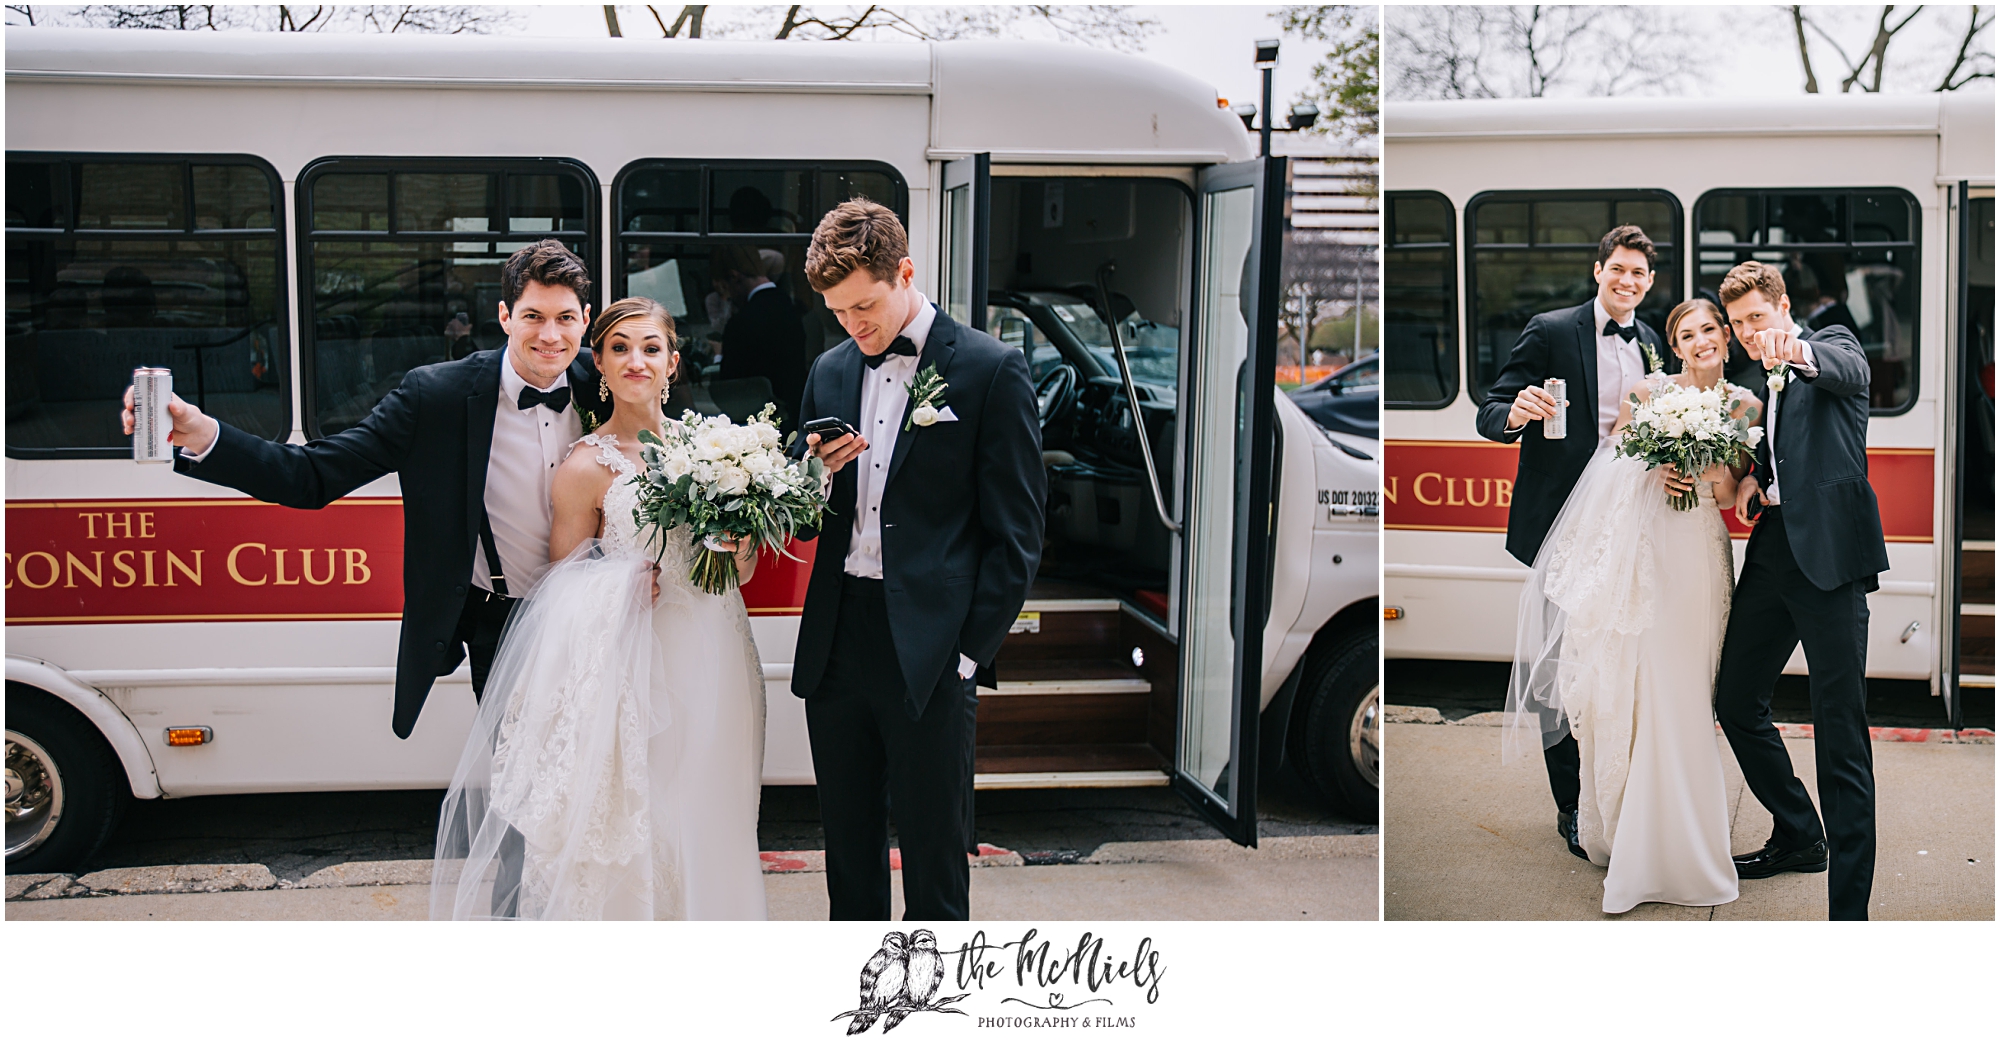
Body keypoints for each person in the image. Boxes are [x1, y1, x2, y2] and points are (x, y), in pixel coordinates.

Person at [122, 240, 608, 738]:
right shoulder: (435, 396)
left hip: (603, 623)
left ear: (586, 318)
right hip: (502, 628)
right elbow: (311, 475)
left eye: (565, 318)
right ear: (505, 316)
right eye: (533, 316)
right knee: (529, 790)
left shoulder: (607, 380)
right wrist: (205, 436)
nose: (551, 335)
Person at [430, 297, 768, 920]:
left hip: (716, 659)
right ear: (600, 364)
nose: (635, 361)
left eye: (649, 348)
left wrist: (741, 551)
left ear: (673, 361)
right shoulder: (585, 466)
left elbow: (734, 575)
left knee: (709, 812)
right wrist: (617, 585)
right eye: (619, 349)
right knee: (652, 816)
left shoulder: (721, 449)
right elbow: (563, 585)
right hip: (634, 671)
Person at [793, 200, 1045, 921]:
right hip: (838, 639)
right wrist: (812, 475)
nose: (853, 325)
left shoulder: (992, 371)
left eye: (864, 306)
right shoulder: (828, 370)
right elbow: (808, 513)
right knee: (848, 849)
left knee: (935, 855)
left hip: (932, 649)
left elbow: (1019, 533)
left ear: (906, 272)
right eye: (838, 311)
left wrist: (968, 655)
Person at [1505, 298, 1754, 914]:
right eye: (1686, 334)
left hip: (1698, 554)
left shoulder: (1744, 405)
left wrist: (1702, 470)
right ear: (1674, 346)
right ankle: (1636, 831)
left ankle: (1686, 835)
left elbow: (1724, 494)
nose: (1699, 342)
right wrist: (1660, 470)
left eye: (1707, 331)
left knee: (1689, 693)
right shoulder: (1648, 393)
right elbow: (1610, 471)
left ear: (1724, 337)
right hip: (1647, 556)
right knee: (1643, 687)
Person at [1475, 224, 1670, 859]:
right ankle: (1570, 807)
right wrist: (1516, 410)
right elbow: (1492, 406)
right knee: (1560, 669)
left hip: (1626, 525)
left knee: (1615, 667)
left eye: (1639, 273)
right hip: (1562, 525)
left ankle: (1609, 793)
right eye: (1618, 269)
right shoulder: (1552, 330)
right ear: (1598, 270)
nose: (1628, 281)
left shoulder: (1650, 340)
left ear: (1648, 282)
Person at [1714, 261, 1887, 921]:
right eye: (1738, 324)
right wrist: (1757, 476)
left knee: (1841, 734)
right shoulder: (1762, 378)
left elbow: (1849, 370)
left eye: (1758, 317)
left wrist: (1800, 349)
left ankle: (1849, 917)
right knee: (1734, 699)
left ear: (1783, 306)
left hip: (1832, 561)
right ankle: (1798, 831)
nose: (1750, 333)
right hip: (1774, 553)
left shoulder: (1831, 342)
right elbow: (1785, 450)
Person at [713, 243, 808, 432]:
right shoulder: (796, 309)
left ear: (734, 277)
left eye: (726, 290)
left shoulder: (741, 322)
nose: (728, 298)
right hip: (797, 415)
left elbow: (729, 385)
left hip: (756, 424)